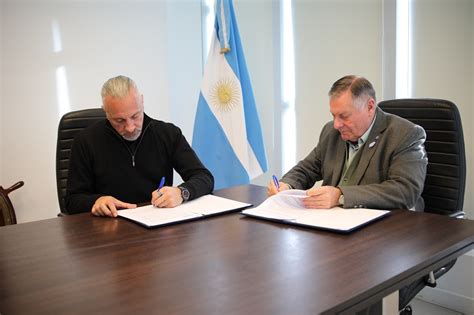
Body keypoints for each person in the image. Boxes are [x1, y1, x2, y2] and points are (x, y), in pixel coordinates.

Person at [268, 75, 427, 211]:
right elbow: (307, 169)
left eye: (344, 116)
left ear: (370, 107)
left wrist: (340, 195)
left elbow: (405, 191)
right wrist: (286, 186)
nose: (337, 124)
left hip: (385, 227)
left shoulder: (405, 134)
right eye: (333, 115)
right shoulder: (331, 132)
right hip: (334, 224)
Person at [66, 75, 214, 217]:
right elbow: (72, 200)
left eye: (135, 116)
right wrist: (96, 201)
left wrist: (182, 193)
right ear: (106, 112)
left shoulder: (168, 134)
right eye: (119, 120)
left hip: (158, 224)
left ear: (142, 102)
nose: (130, 127)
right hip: (111, 225)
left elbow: (204, 178)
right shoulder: (86, 141)